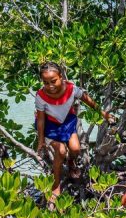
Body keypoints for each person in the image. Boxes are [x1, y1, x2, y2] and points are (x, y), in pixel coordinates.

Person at [34, 62, 113, 205]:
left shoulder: (71, 89)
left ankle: (71, 164)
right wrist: (40, 141)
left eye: (53, 81)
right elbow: (40, 119)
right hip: (50, 126)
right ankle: (56, 185)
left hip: (67, 122)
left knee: (75, 149)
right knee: (61, 151)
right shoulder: (40, 96)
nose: (50, 86)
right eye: (46, 82)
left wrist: (104, 114)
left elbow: (88, 100)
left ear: (61, 77)